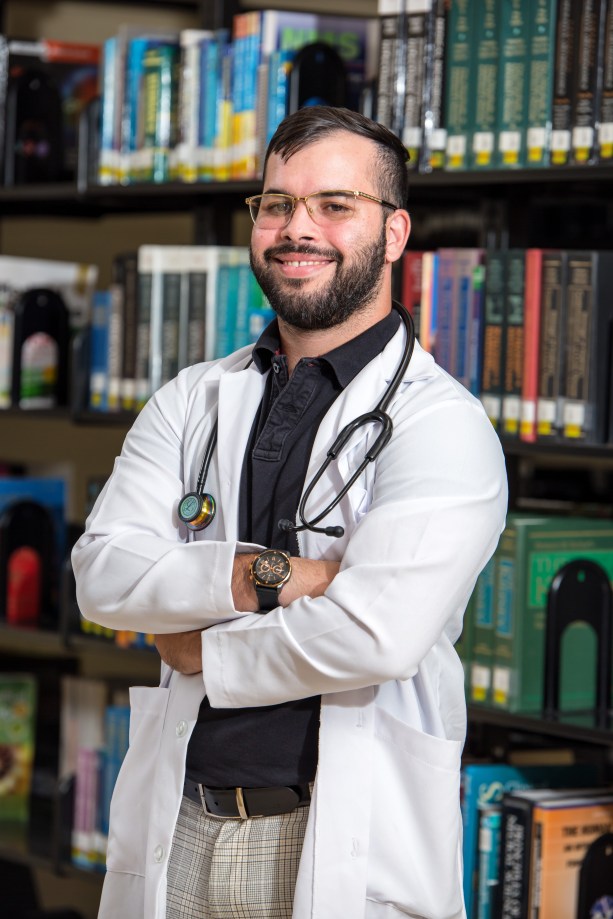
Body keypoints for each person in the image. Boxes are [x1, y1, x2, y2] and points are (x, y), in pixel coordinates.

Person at [72, 105, 508, 919]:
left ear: (393, 232)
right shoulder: (192, 398)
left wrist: (202, 646)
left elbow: (377, 632)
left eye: (333, 205)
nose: (295, 228)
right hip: (180, 821)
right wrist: (278, 577)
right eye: (276, 204)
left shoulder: (439, 422)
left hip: (332, 838)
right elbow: (103, 577)